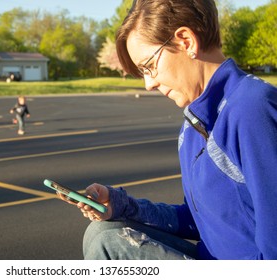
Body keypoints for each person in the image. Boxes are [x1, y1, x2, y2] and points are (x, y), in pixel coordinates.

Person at [58, 0, 277, 260]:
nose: (148, 84)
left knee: (107, 243)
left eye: (149, 66)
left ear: (186, 41)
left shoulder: (252, 108)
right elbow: (197, 221)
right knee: (102, 231)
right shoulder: (191, 127)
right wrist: (121, 206)